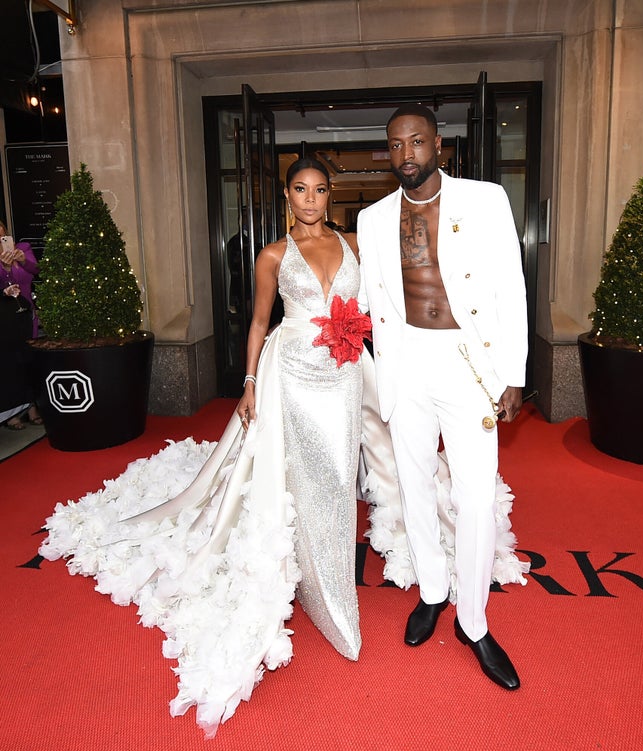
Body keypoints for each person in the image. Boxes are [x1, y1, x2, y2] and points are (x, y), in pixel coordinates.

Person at [40, 158, 527, 737]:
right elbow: (257, 323)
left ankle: (420, 592)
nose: (311, 199)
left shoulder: (357, 242)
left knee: (350, 473)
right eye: (300, 189)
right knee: (306, 478)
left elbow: (397, 295)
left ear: (330, 195)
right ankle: (327, 594)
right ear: (286, 195)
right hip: (291, 375)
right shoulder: (271, 255)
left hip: (346, 375)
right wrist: (247, 384)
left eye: (321, 190)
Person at [357, 104, 529, 691]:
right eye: (395, 145)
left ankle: (475, 623)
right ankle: (432, 591)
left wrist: (513, 372)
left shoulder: (485, 201)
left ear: (438, 144)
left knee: (476, 496)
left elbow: (511, 285)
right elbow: (372, 296)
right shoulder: (374, 217)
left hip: (466, 361)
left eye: (416, 142)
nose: (406, 154)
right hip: (406, 363)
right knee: (414, 484)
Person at [0, 221, 42, 429]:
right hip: (6, 321)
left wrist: (23, 260)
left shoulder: (23, 248)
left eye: (2, 235)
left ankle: (33, 406)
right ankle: (12, 414)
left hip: (26, 315)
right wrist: (6, 268)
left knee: (29, 359)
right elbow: (5, 285)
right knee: (11, 364)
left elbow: (35, 270)